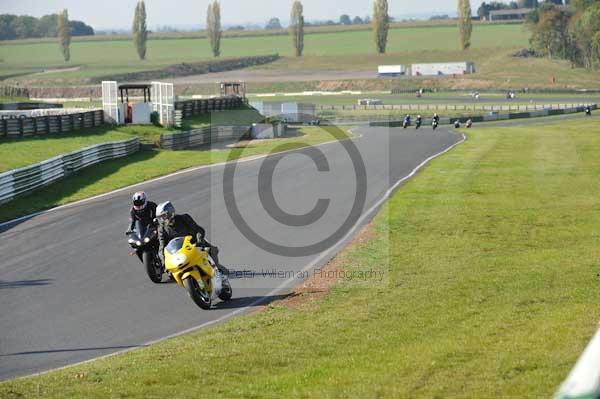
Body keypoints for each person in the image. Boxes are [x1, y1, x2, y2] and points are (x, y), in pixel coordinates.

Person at [156, 201, 228, 275]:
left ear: (170, 212)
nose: (162, 219)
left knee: (212, 254)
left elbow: (199, 229)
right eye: (160, 218)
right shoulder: (162, 229)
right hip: (178, 254)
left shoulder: (184, 218)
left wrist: (199, 238)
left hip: (195, 245)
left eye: (164, 216)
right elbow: (162, 246)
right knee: (173, 274)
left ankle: (221, 275)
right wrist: (164, 263)